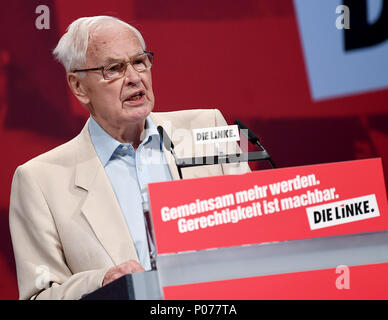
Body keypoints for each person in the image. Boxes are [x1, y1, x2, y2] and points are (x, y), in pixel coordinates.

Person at [9, 16, 250, 300]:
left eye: (139, 61)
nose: (135, 78)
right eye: (114, 68)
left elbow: (260, 234)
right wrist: (103, 283)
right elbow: (38, 296)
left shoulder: (207, 127)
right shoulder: (40, 180)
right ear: (78, 87)